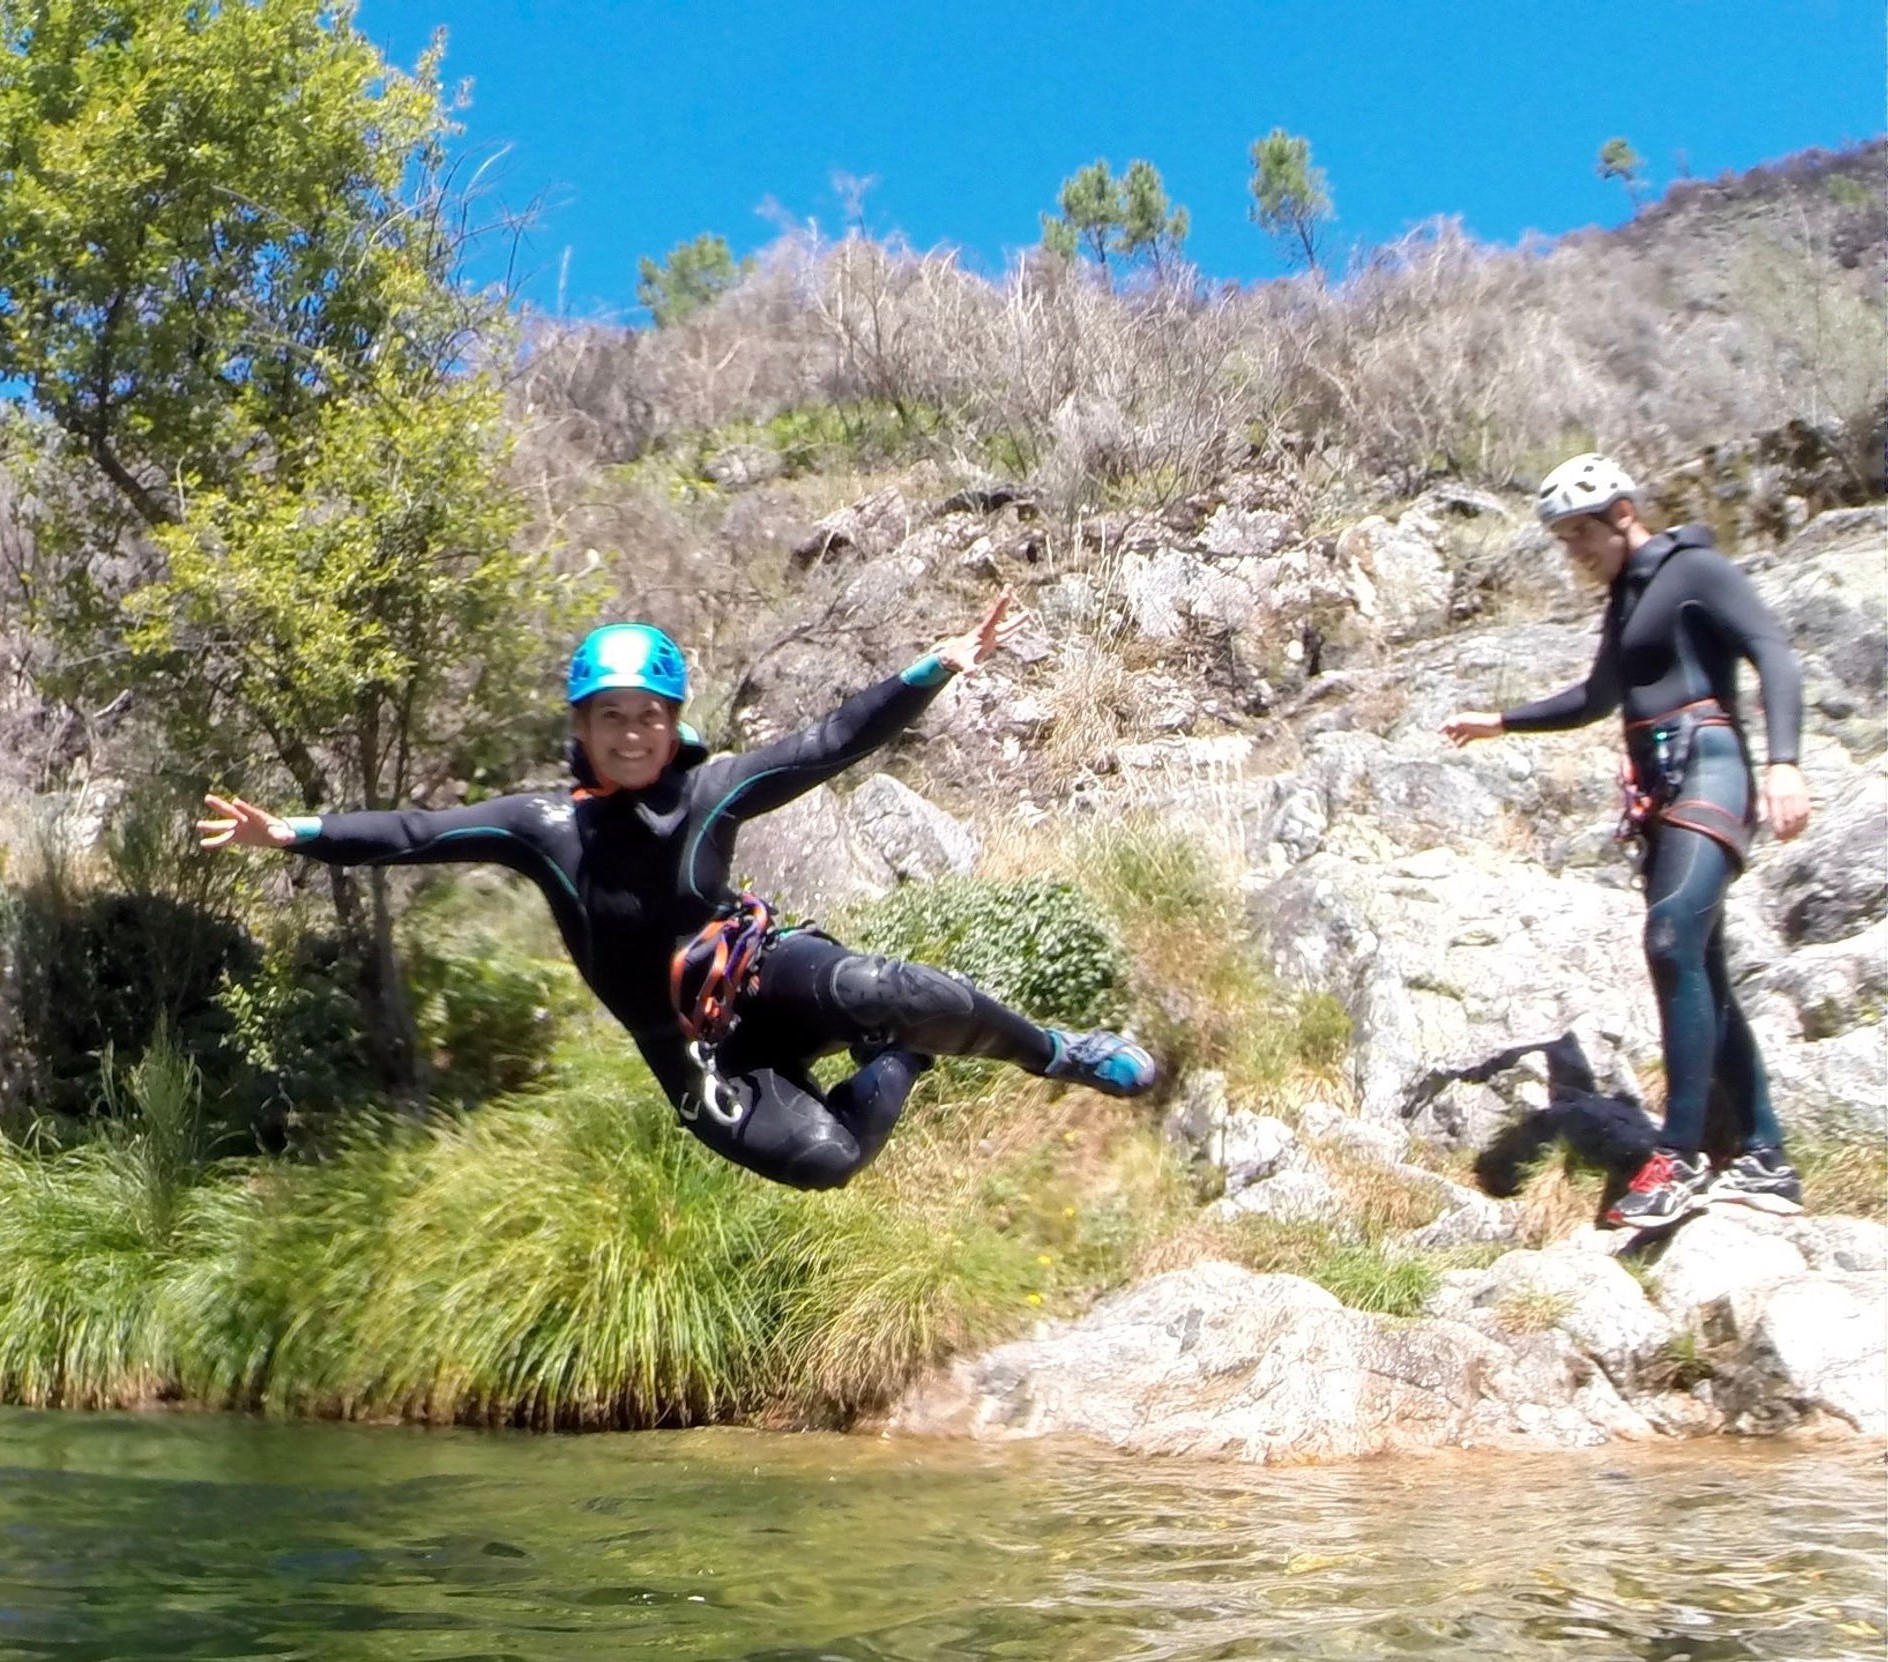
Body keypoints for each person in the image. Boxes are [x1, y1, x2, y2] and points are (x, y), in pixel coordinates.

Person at [198, 594, 1157, 1190]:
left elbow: (828, 742)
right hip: (691, 1048)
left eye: (648, 717)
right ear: (581, 725)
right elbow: (414, 834)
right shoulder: (541, 828)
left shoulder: (710, 790)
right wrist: (295, 833)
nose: (629, 734)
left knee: (896, 989)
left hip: (757, 971)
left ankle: (1057, 1053)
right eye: (609, 717)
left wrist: (931, 669)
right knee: (827, 1162)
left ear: (672, 724)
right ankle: (900, 1064)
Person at [1442, 453, 1811, 1229]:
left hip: (1710, 764)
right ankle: (1765, 1157)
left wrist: (1783, 763)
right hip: (1662, 787)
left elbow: (1772, 651)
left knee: (1673, 939)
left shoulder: (1694, 567)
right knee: (1699, 963)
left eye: (1580, 534)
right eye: (1563, 540)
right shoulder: (1625, 597)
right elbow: (1598, 697)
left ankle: (1675, 1158)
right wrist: (1501, 721)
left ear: (1621, 513)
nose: (1573, 552)